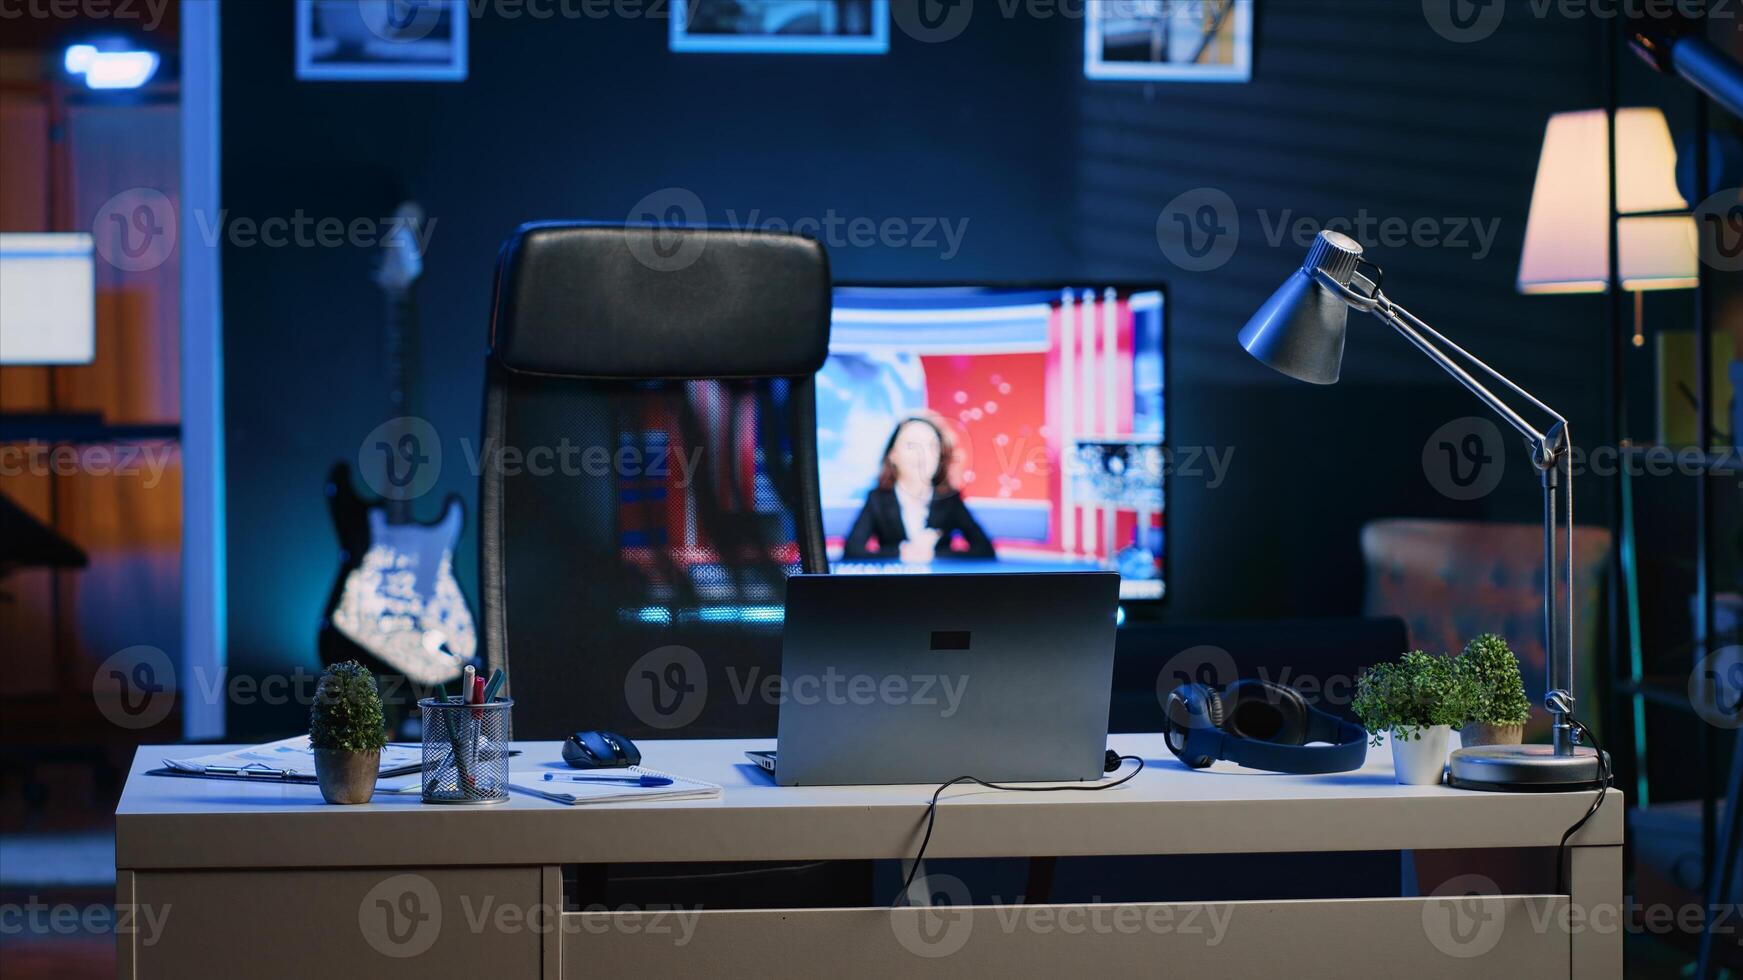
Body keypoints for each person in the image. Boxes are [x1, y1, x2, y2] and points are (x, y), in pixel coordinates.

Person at [843, 415, 995, 563]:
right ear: (893, 455)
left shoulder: (949, 499)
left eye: (931, 447)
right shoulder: (877, 499)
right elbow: (852, 550)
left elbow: (984, 549)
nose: (923, 456)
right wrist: (901, 553)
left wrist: (934, 555)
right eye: (912, 446)